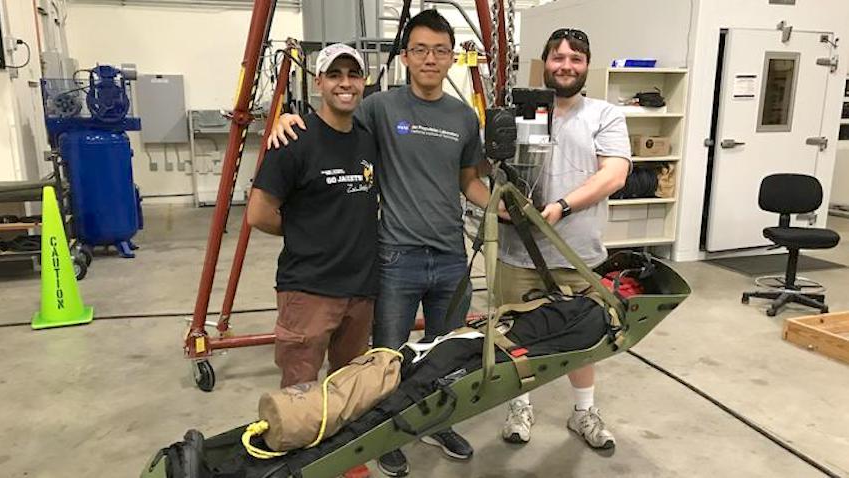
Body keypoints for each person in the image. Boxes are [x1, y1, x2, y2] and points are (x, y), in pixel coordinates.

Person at [269, 10, 492, 478]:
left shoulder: (463, 117)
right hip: (396, 256)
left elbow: (469, 180)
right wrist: (288, 121)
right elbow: (333, 118)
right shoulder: (380, 107)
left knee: (445, 351)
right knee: (385, 358)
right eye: (421, 49)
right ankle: (387, 431)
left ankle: (436, 421)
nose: (431, 59)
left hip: (452, 257)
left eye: (440, 50)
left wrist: (499, 205)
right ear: (406, 57)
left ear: (453, 57)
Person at [496, 28, 631, 450]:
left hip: (578, 252)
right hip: (520, 252)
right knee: (514, 334)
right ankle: (520, 405)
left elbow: (615, 173)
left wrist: (561, 207)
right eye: (558, 57)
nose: (566, 65)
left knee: (585, 337)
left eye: (575, 58)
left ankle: (583, 412)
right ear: (546, 62)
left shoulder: (605, 115)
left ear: (586, 65)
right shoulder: (520, 111)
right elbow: (495, 169)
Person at [248, 42, 378, 405]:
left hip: (360, 289)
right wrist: (307, 232)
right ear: (318, 81)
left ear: (364, 82)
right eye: (334, 74)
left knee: (349, 386)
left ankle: (344, 458)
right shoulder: (293, 138)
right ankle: (300, 459)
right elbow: (258, 213)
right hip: (309, 291)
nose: (345, 83)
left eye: (353, 74)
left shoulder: (368, 140)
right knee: (299, 394)